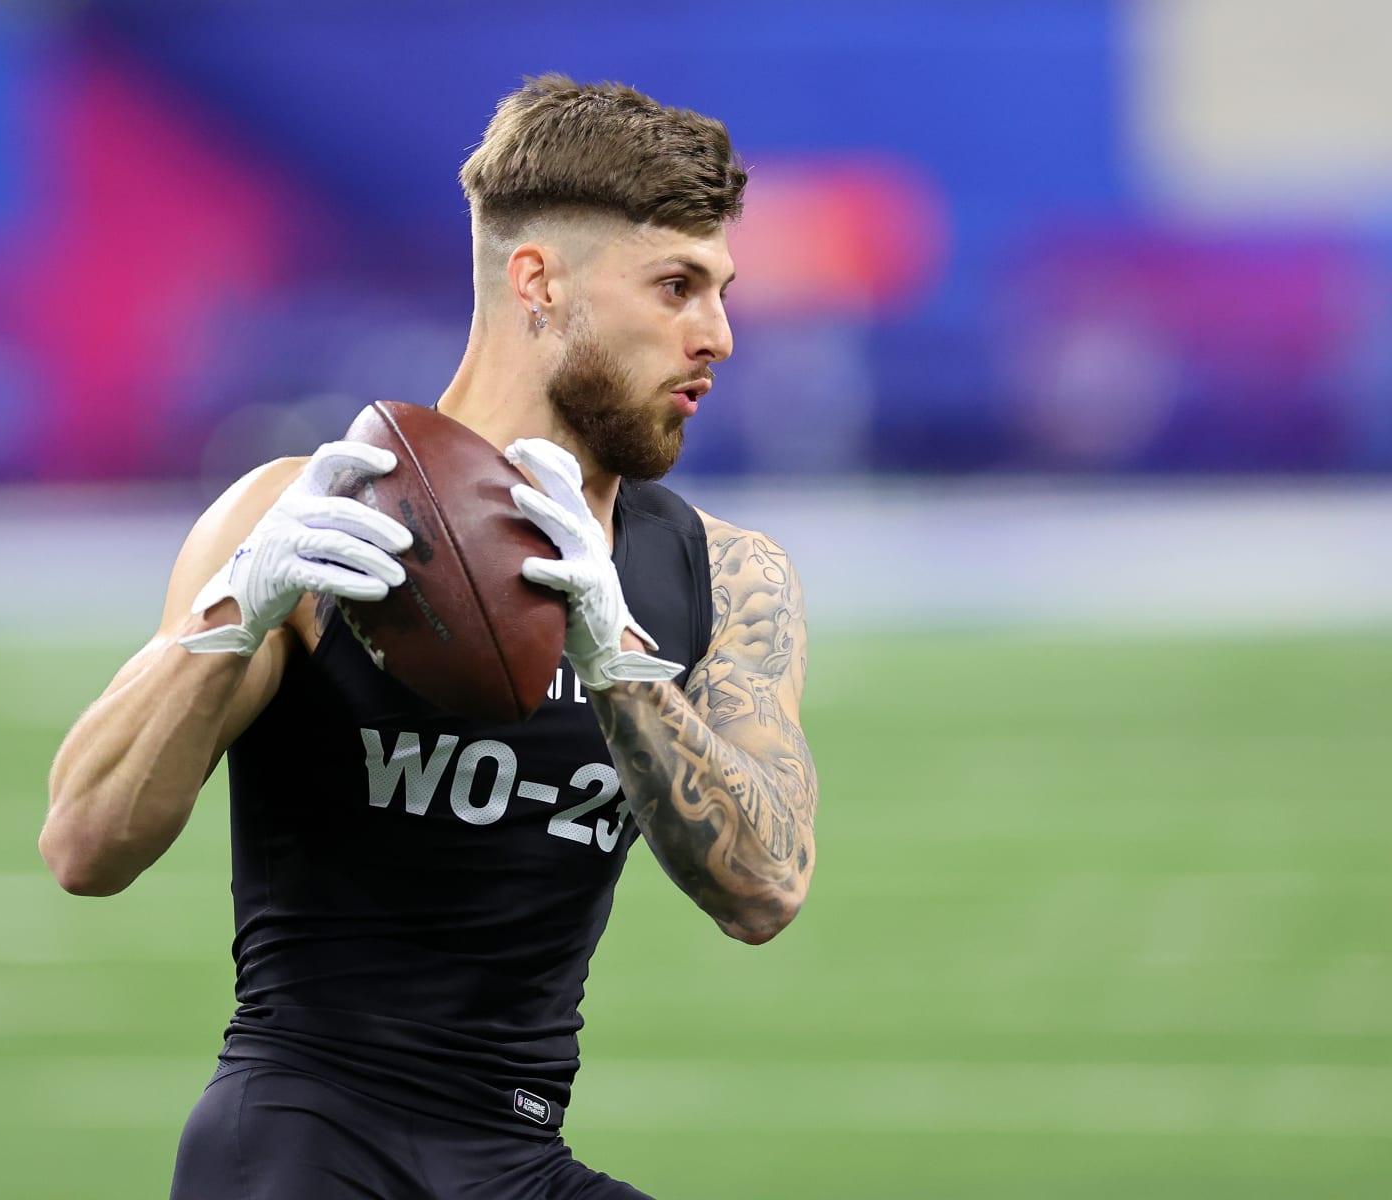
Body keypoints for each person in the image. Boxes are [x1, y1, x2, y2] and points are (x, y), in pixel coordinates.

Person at [40, 73, 819, 1200]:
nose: (721, 336)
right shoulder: (305, 520)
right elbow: (84, 847)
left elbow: (767, 890)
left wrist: (619, 661)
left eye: (722, 290)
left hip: (515, 1157)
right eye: (678, 287)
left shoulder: (726, 574)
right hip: (307, 1144)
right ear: (538, 282)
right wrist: (229, 616)